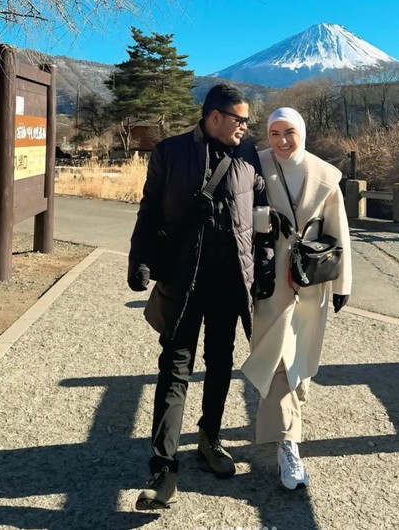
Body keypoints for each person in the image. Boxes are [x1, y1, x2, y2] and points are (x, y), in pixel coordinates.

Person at [128, 83, 270, 511]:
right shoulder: (170, 152)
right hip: (182, 280)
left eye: (247, 120)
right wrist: (140, 259)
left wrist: (262, 269)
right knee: (174, 367)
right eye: (238, 120)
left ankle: (211, 438)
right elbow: (149, 209)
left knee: (221, 361)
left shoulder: (249, 156)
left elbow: (262, 220)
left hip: (230, 282)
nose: (245, 127)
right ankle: (163, 468)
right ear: (214, 117)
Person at [241, 106, 352, 491]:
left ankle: (289, 417)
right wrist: (265, 219)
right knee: (278, 361)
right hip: (270, 281)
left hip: (311, 282)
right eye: (274, 133)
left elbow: (339, 232)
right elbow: (242, 215)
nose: (282, 141)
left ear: (302, 132)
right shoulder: (254, 165)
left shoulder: (325, 175)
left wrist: (343, 285)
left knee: (300, 360)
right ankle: (289, 443)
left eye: (289, 132)